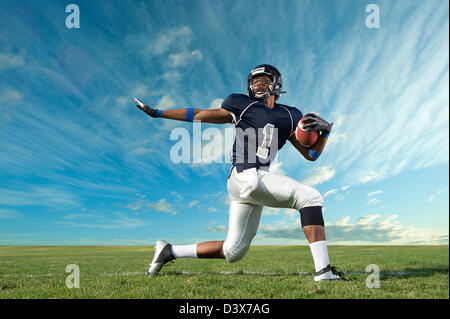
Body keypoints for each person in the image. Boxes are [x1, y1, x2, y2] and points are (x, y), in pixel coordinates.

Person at [135, 64, 348, 281]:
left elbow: (311, 154)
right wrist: (158, 113)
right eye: (254, 81)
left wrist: (325, 133)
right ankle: (324, 271)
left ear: (277, 83)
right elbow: (199, 113)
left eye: (264, 80)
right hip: (245, 176)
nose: (258, 85)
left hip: (255, 181)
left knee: (233, 251)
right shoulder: (242, 104)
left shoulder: (290, 115)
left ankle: (169, 251)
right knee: (310, 197)